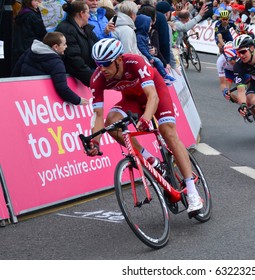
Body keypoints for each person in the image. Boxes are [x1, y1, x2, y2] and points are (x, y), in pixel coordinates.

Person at [87, 38, 203, 214]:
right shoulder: (98, 78)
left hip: (156, 93)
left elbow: (153, 97)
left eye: (106, 64)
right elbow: (98, 115)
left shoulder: (135, 62)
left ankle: (193, 192)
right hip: (132, 100)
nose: (102, 68)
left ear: (119, 59)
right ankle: (151, 160)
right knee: (111, 124)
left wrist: (147, 118)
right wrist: (95, 142)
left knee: (168, 133)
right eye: (98, 64)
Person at [12, 31, 89, 105]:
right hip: (41, 99)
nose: (66, 47)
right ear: (55, 47)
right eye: (64, 44)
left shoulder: (29, 51)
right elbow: (62, 88)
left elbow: (16, 70)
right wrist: (78, 100)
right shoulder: (56, 62)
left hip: (23, 95)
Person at [55, 0, 98, 87]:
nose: (89, 16)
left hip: (85, 74)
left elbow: (97, 49)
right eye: (88, 12)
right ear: (81, 13)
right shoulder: (66, 30)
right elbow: (74, 59)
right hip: (71, 79)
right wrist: (94, 81)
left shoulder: (86, 29)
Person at [135, 14, 176, 83]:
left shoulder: (144, 35)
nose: (150, 27)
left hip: (148, 54)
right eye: (149, 25)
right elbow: (142, 48)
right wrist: (149, 57)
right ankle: (164, 75)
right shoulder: (140, 36)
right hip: (146, 56)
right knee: (158, 61)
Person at [12, 0, 47, 67]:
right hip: (31, 48)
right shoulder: (32, 15)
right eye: (35, 0)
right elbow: (42, 32)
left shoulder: (22, 12)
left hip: (20, 48)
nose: (39, 1)